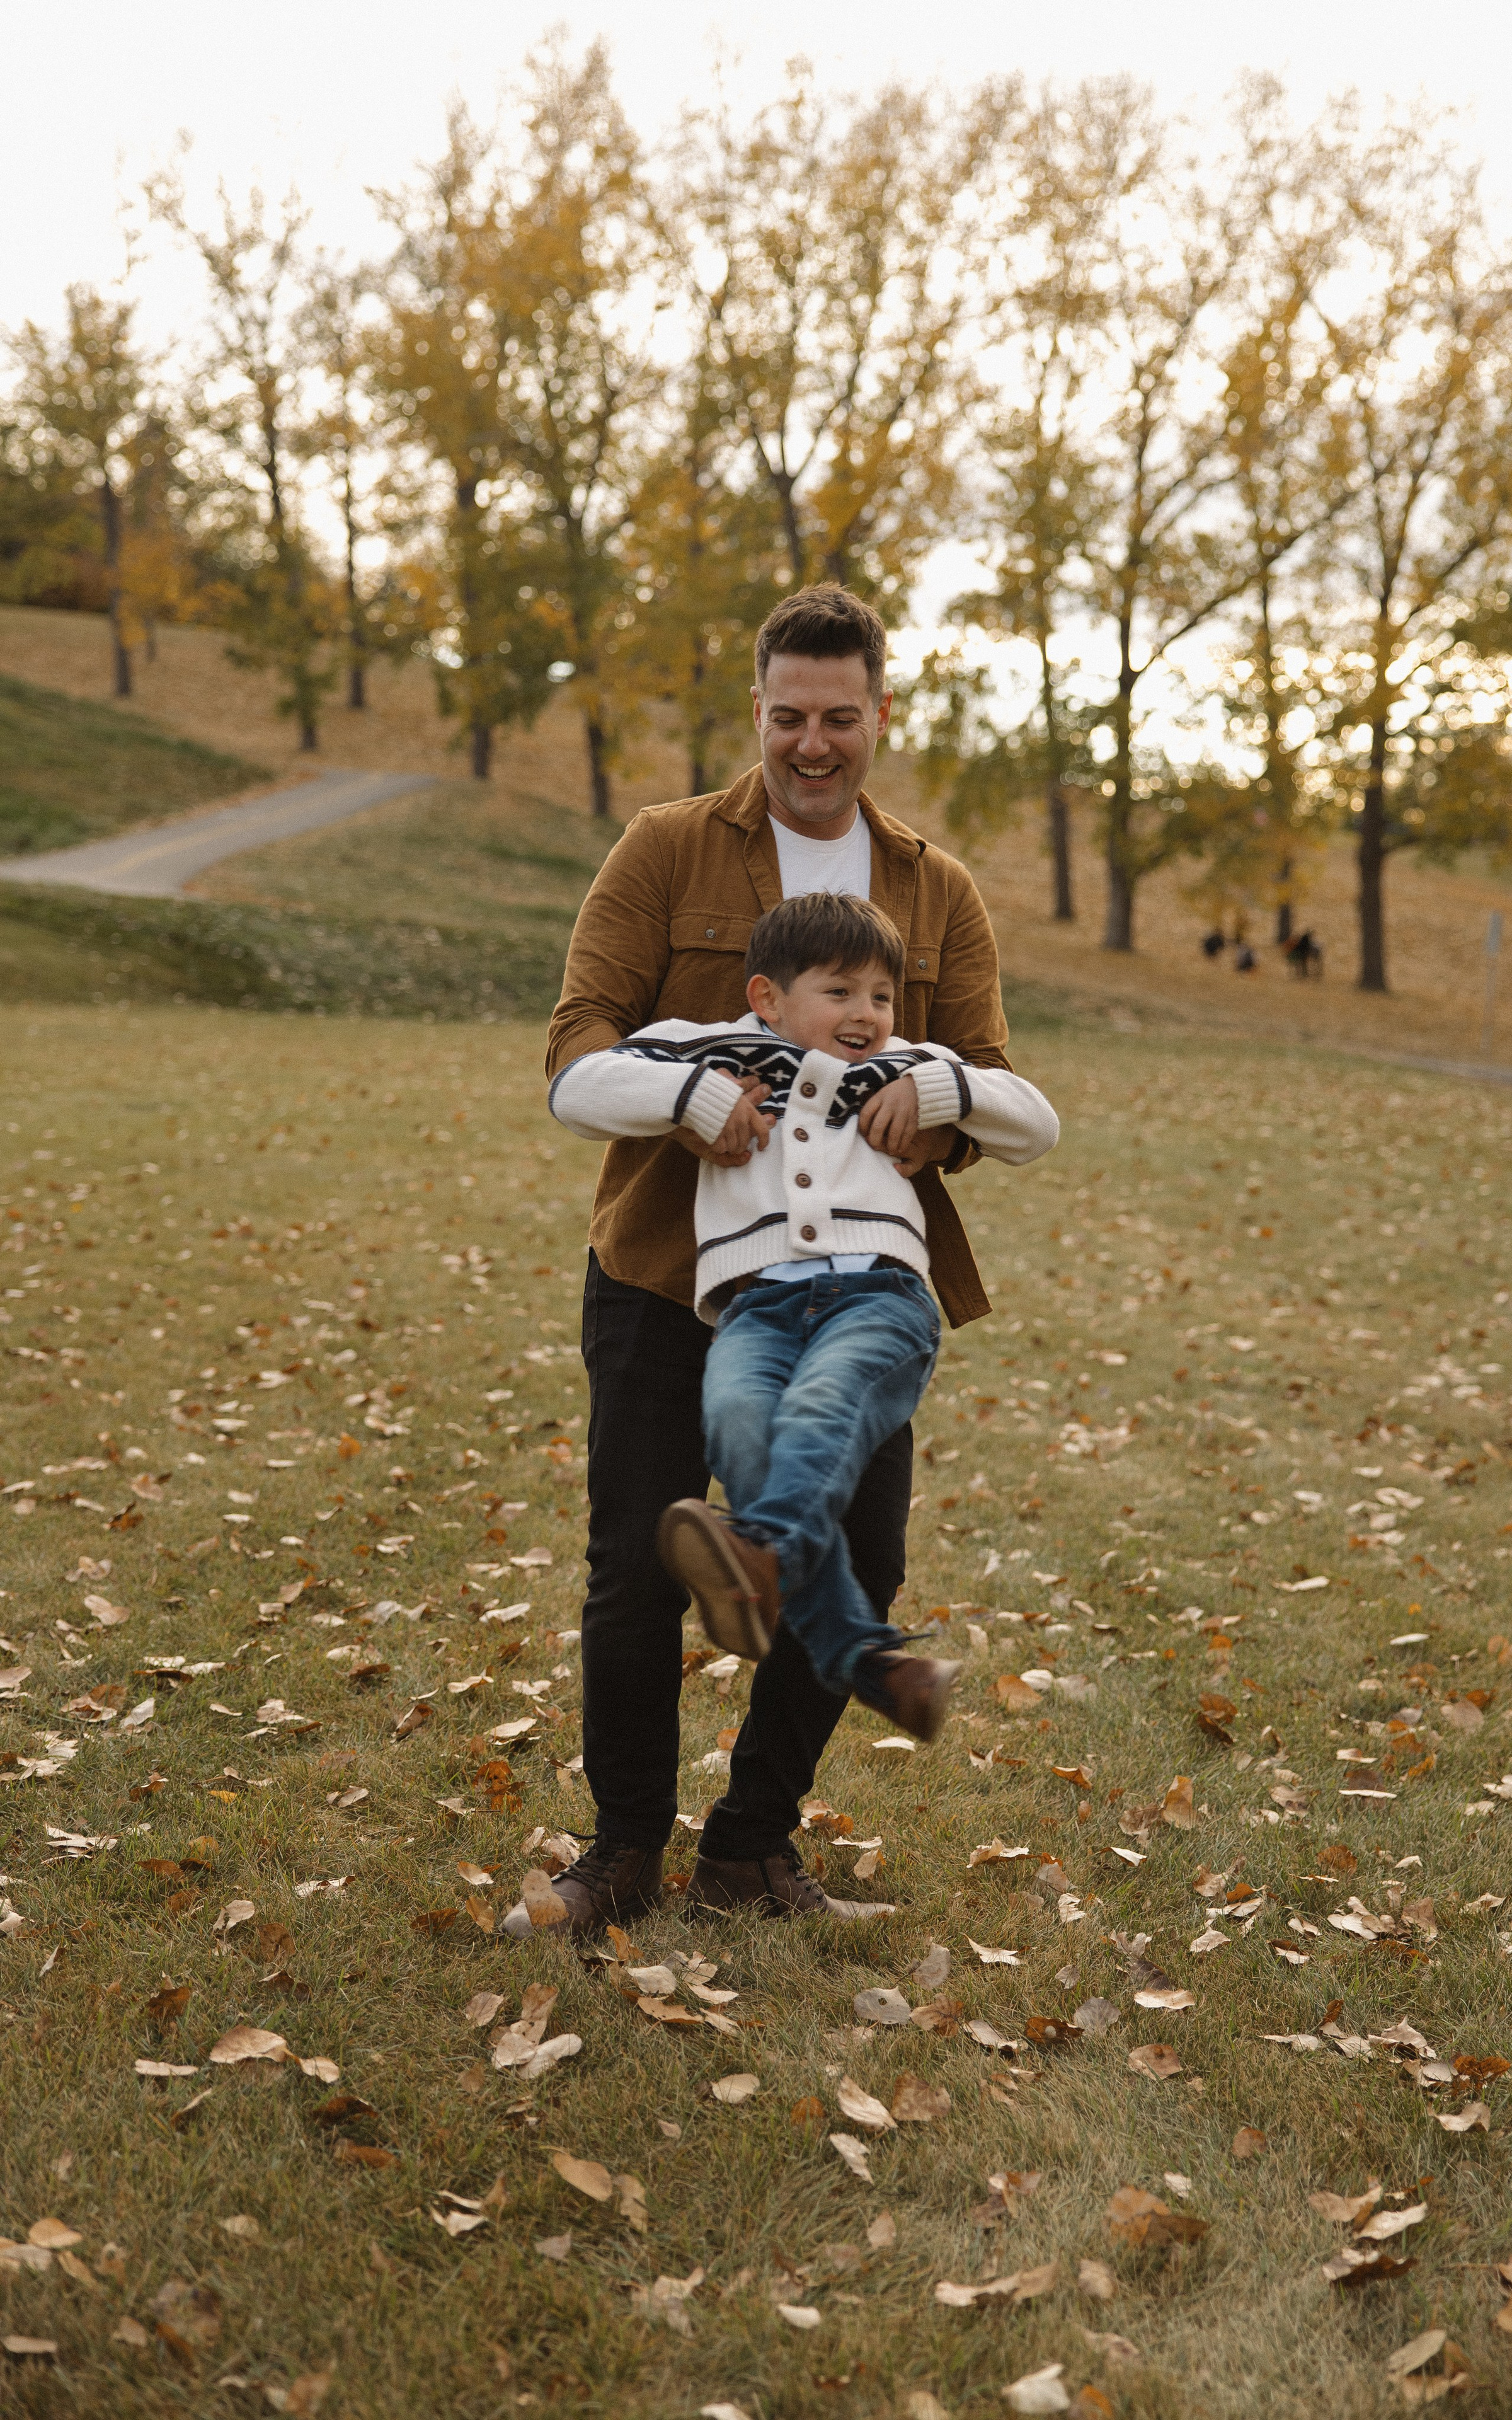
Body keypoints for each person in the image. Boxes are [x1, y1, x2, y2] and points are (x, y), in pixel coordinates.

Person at [543, 581, 1014, 1935]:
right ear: (756, 712)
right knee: (637, 1566)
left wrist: (938, 1113)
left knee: (856, 1554)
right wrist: (687, 1101)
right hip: (660, 1270)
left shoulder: (935, 888)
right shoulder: (664, 849)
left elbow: (985, 1078)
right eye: (788, 717)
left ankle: (750, 1849)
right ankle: (623, 1850)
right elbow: (577, 1044)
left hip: (860, 1286)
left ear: (878, 715)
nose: (813, 744)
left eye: (839, 718)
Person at [549, 892, 1058, 1745]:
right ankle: (875, 1666)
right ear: (766, 998)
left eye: (881, 996)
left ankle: (762, 1553)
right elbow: (577, 1090)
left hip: (879, 1297)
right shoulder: (710, 1049)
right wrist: (695, 1100)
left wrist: (937, 1089)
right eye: (840, 991)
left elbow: (1036, 1124)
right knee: (740, 1428)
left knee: (823, 1409)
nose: (867, 1014)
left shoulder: (910, 1063)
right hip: (756, 1308)